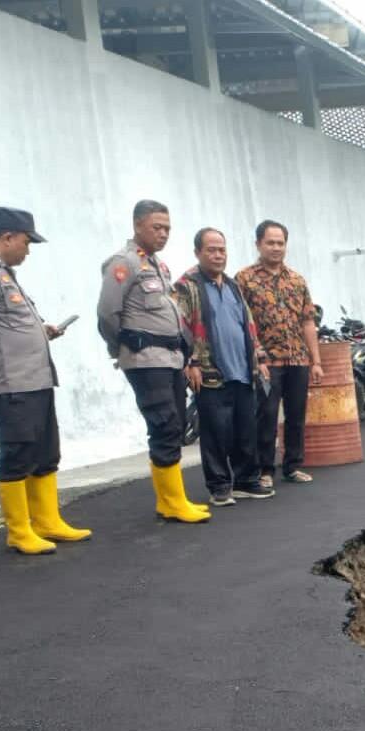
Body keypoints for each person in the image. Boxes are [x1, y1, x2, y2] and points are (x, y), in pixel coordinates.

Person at [0, 206, 90, 554]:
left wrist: (42, 330)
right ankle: (19, 531)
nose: (28, 250)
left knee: (45, 452)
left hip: (35, 380)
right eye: (26, 242)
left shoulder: (3, 273)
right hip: (12, 383)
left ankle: (47, 521)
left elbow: (9, 324)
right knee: (18, 452)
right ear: (7, 237)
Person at [96, 199, 210, 523]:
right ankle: (171, 502)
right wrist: (120, 347)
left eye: (167, 229)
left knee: (175, 425)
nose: (163, 234)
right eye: (156, 227)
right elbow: (107, 313)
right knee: (164, 423)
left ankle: (172, 499)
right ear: (137, 225)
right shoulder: (124, 263)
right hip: (145, 358)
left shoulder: (157, 265)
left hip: (169, 358)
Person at [173, 228, 275, 505]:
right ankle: (219, 486)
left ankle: (246, 481)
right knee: (215, 432)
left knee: (246, 430)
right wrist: (190, 362)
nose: (218, 255)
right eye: (211, 250)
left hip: (242, 369)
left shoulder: (232, 286)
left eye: (222, 250)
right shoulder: (186, 286)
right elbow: (179, 328)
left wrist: (260, 358)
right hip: (209, 372)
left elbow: (248, 324)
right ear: (198, 252)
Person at [235, 220, 322, 488]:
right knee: (267, 415)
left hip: (297, 359)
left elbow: (308, 322)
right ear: (258, 244)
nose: (276, 248)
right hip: (266, 361)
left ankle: (293, 466)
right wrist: (252, 356)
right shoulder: (244, 279)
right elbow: (240, 322)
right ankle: (264, 470)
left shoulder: (297, 280)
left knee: (296, 415)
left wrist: (316, 361)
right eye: (270, 243)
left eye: (280, 243)